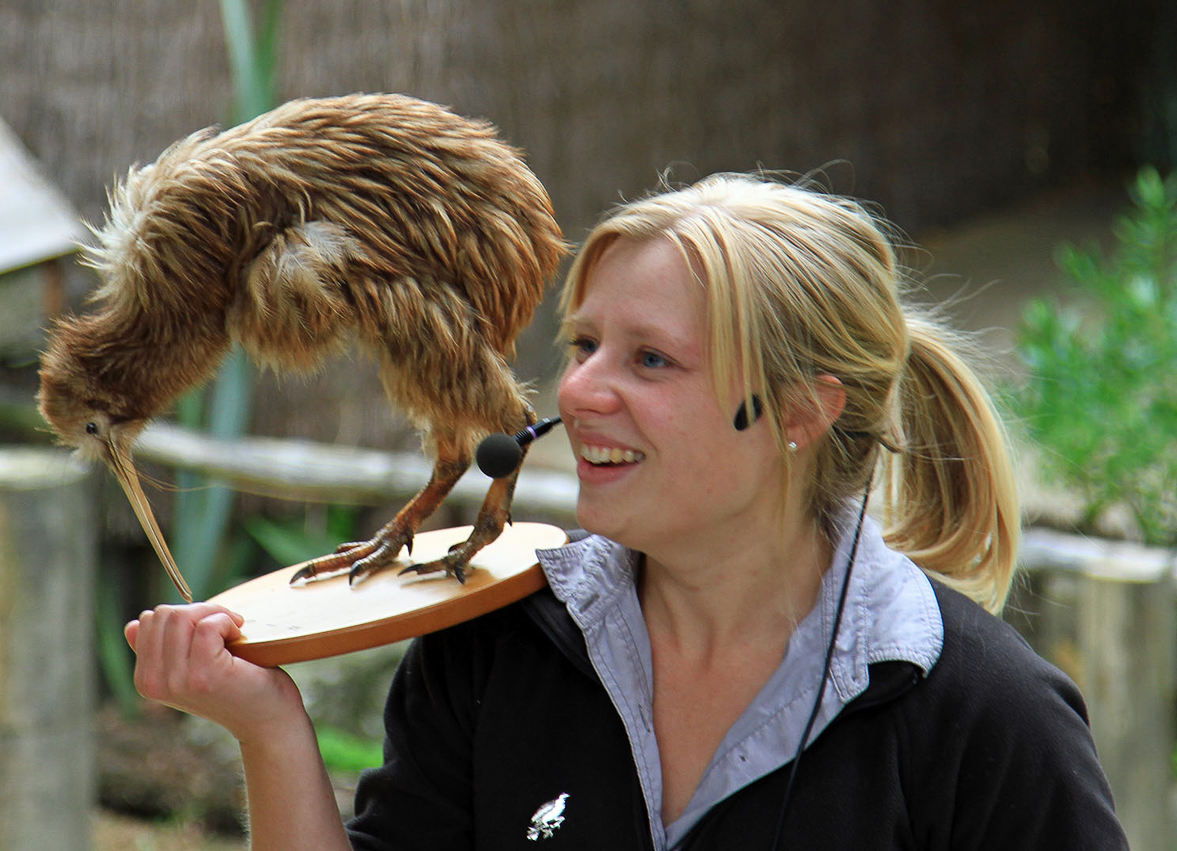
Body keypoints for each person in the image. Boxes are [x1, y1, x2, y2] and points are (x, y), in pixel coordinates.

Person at [126, 173, 1128, 849]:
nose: (576, 393)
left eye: (649, 359)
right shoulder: (491, 647)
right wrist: (267, 727)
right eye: (584, 344)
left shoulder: (983, 716)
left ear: (797, 411)